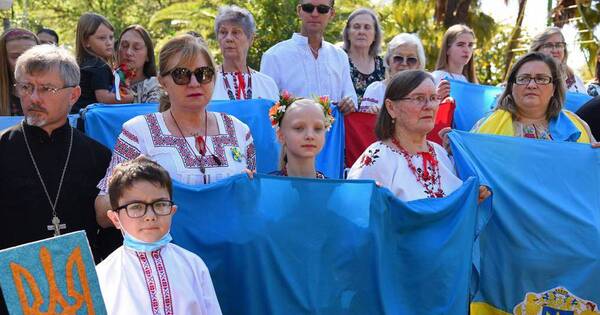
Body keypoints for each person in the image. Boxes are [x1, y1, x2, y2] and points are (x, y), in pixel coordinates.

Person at [95, 35, 256, 228]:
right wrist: (129, 183)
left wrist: (251, 190)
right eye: (181, 74)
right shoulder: (138, 132)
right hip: (167, 252)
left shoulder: (238, 130)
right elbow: (103, 214)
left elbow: (254, 206)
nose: (194, 83)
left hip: (230, 250)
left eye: (203, 73)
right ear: (163, 81)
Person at [0, 45, 113, 261]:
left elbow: (110, 232)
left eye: (46, 89)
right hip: (12, 282)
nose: (33, 98)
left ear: (73, 94)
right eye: (26, 87)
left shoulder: (98, 157)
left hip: (80, 280)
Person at [96, 156, 222, 315]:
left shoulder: (193, 265)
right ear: (116, 219)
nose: (150, 215)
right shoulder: (102, 276)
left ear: (172, 211)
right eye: (136, 207)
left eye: (160, 204)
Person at [347, 70, 464, 201]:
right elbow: (358, 212)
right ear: (391, 108)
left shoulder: (441, 154)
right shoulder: (377, 158)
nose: (429, 106)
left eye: (433, 98)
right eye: (419, 98)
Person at [472, 52, 596, 144]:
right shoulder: (485, 126)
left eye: (541, 79)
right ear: (511, 87)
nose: (531, 85)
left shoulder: (577, 126)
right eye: (523, 78)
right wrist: (452, 148)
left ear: (554, 88)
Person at [260, 0, 357, 115]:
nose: (315, 14)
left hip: (335, 131)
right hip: (289, 131)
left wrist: (349, 103)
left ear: (331, 14)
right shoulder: (274, 56)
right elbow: (266, 107)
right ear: (299, 11)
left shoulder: (339, 56)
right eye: (308, 8)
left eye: (322, 9)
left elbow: (350, 97)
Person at [212, 5, 278, 101]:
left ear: (251, 39)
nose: (228, 38)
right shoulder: (208, 82)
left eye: (235, 32)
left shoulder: (266, 84)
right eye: (223, 32)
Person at [73, 13, 133, 113]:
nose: (109, 42)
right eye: (102, 38)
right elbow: (104, 98)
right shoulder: (98, 66)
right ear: (86, 41)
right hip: (87, 121)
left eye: (111, 37)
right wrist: (128, 98)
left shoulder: (83, 64)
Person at [268, 92, 334, 178]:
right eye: (299, 128)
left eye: (317, 128)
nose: (310, 136)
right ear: (281, 135)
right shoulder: (266, 187)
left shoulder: (333, 190)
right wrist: (246, 184)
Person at [360, 33, 426, 112]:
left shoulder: (426, 92)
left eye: (411, 59)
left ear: (419, 64)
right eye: (398, 58)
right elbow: (363, 122)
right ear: (388, 61)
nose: (404, 63)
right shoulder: (375, 90)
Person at [342, 8, 384, 104]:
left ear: (375, 35)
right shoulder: (338, 60)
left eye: (367, 27)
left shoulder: (383, 66)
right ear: (348, 33)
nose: (361, 32)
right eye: (356, 27)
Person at [529, 27, 585, 94]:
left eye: (559, 45)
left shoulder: (574, 79)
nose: (555, 50)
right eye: (548, 45)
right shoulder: (527, 80)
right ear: (536, 50)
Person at [116, 24, 160, 103]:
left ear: (147, 56)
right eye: (124, 46)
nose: (128, 52)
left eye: (136, 48)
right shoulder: (106, 81)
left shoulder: (155, 87)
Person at [432, 24, 477, 100]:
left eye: (470, 45)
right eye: (460, 45)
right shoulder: (435, 78)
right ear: (447, 49)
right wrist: (437, 98)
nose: (466, 50)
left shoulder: (469, 81)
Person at [0, 28, 39, 116]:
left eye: (32, 55)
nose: (25, 61)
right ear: (3, 60)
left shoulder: (54, 89)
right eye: (15, 57)